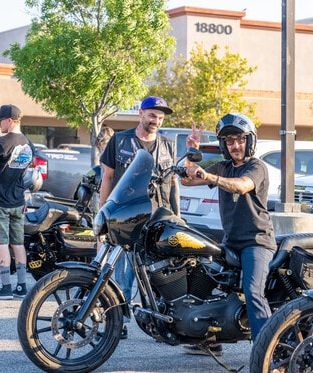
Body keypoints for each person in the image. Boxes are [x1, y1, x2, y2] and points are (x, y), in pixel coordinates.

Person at [181, 113, 277, 356]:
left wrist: (210, 177)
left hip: (257, 242)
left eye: (240, 140)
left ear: (249, 141)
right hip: (230, 242)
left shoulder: (257, 167)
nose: (235, 145)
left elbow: (242, 185)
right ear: (224, 145)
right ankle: (207, 338)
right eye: (229, 141)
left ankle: (266, 353)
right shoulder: (224, 166)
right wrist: (191, 152)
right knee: (202, 276)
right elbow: (188, 181)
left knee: (253, 291)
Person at [99, 96, 180, 339]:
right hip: (128, 220)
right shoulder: (120, 140)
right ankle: (120, 322)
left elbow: (173, 182)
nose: (156, 120)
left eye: (161, 117)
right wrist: (104, 212)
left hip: (159, 221)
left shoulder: (167, 145)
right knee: (123, 274)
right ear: (141, 114)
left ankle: (162, 322)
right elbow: (108, 177)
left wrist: (177, 216)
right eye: (152, 115)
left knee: (160, 273)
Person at [0, 104, 35, 300]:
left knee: (1, 243)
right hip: (18, 201)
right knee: (18, 243)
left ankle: (5, 288)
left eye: (0, 120)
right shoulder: (28, 144)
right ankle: (21, 287)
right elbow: (25, 172)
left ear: (9, 120)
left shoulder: (1, 143)